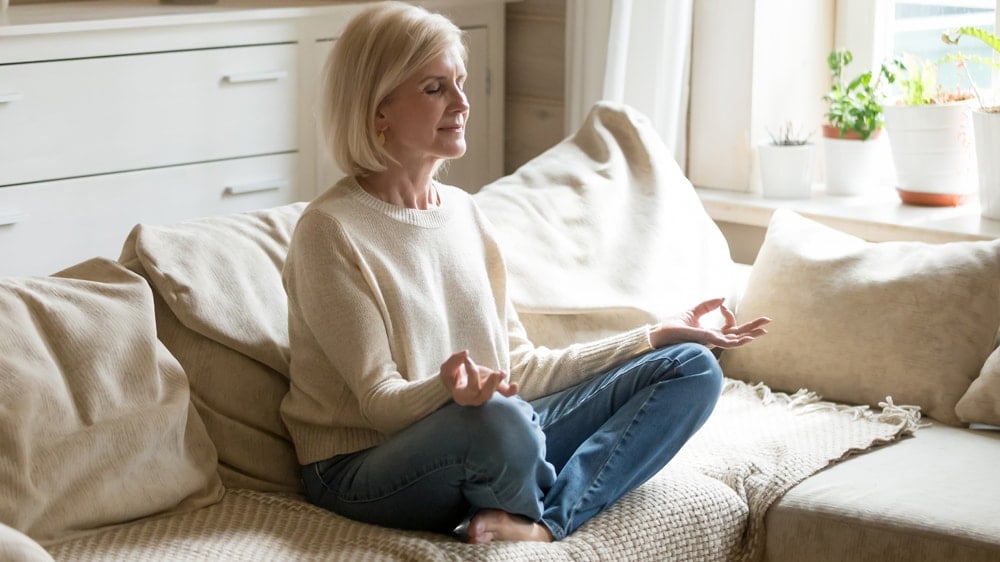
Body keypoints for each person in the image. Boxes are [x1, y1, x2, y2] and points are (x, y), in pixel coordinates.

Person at [281, 0, 770, 545]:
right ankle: (532, 495)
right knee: (501, 421)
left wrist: (655, 334)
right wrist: (449, 390)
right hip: (362, 464)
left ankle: (539, 522)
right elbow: (378, 400)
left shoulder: (466, 214)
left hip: (484, 431)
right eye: (435, 88)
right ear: (378, 112)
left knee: (692, 368)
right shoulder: (329, 231)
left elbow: (522, 368)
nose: (463, 103)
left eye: (461, 82)